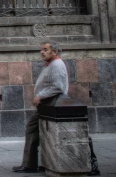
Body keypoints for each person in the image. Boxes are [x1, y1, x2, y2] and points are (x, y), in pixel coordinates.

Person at [12, 40, 69, 174]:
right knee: (41, 132)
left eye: (45, 49)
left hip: (51, 103)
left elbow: (58, 87)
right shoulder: (50, 64)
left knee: (32, 129)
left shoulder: (57, 65)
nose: (42, 52)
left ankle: (29, 164)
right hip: (47, 104)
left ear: (54, 52)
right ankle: (41, 162)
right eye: (41, 49)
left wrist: (40, 96)